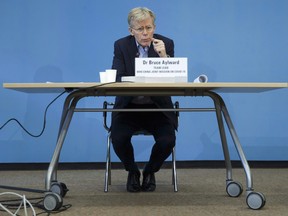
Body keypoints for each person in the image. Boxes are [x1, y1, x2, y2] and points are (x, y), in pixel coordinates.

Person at [110, 7, 178, 192]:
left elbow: (173, 80)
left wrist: (164, 57)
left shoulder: (166, 43)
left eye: (148, 27)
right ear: (131, 31)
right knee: (118, 138)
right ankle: (132, 171)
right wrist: (142, 76)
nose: (145, 33)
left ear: (154, 27)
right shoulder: (121, 46)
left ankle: (149, 170)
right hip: (129, 108)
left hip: (157, 108)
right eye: (140, 29)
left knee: (167, 140)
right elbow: (117, 76)